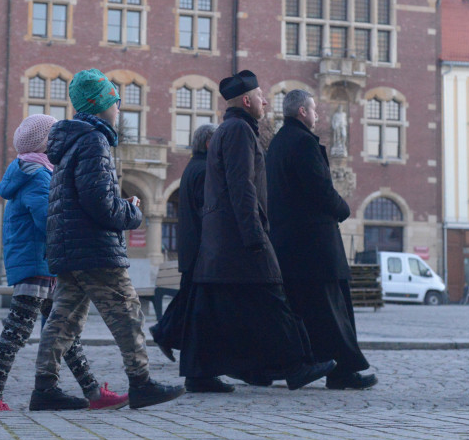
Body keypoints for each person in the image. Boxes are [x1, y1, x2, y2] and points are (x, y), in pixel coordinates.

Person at [31, 69, 185, 411]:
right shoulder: (93, 140)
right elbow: (99, 202)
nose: (118, 109)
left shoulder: (69, 143)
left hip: (69, 246)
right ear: (100, 105)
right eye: (115, 102)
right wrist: (130, 211)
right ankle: (141, 382)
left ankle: (45, 388)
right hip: (94, 248)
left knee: (64, 317)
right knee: (127, 312)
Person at [179, 70, 336, 390]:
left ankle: (202, 374)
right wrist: (254, 235)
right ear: (247, 100)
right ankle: (295, 367)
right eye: (261, 95)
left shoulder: (229, 128)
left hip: (223, 239)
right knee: (273, 297)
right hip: (239, 237)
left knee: (214, 306)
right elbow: (242, 187)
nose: (266, 101)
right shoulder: (239, 130)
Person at [0, 115, 127, 411]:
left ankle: (94, 394)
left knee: (64, 331)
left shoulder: (35, 171)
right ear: (45, 143)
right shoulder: (37, 174)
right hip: (36, 265)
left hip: (41, 264)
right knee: (17, 331)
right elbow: (48, 221)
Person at [266, 90, 376, 390]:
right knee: (332, 310)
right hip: (314, 243)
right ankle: (342, 372)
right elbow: (320, 187)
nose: (317, 115)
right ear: (302, 111)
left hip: (287, 242)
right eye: (314, 109)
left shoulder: (276, 144)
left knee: (304, 310)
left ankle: (307, 366)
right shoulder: (303, 142)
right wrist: (342, 209)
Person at [150, 123, 234, 394]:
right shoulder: (204, 171)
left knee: (190, 302)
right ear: (210, 145)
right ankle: (198, 370)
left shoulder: (193, 168)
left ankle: (165, 332)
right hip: (202, 251)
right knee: (200, 311)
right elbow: (209, 213)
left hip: (193, 250)